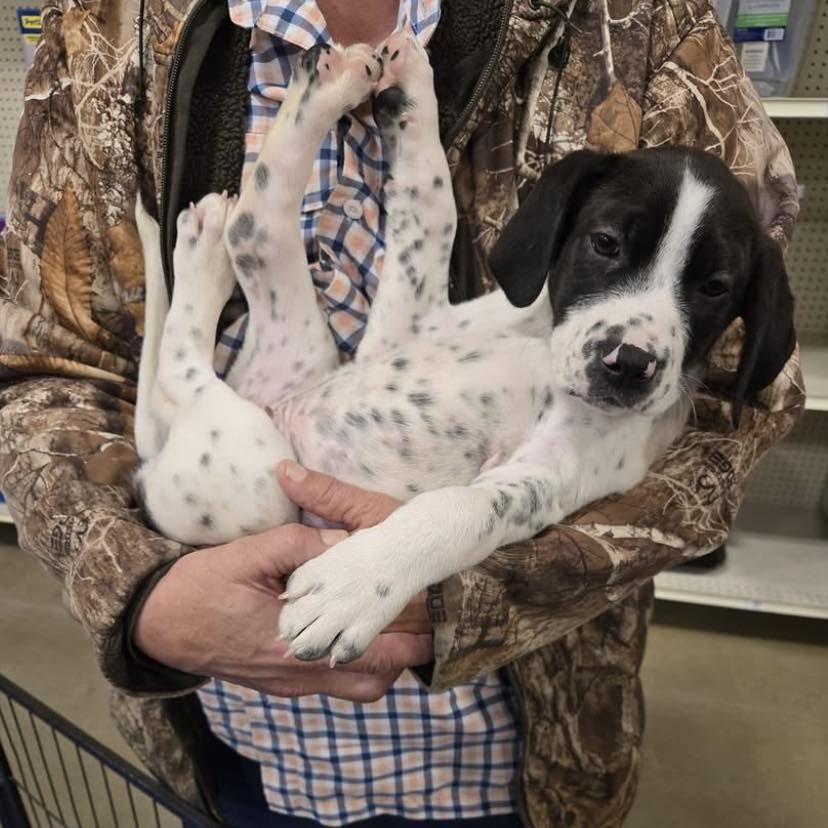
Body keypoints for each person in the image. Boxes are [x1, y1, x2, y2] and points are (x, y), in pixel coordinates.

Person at [0, 0, 804, 825]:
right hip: (227, 704)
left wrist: (443, 590)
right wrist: (144, 600)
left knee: (267, 374)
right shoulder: (102, 28)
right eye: (608, 247)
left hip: (503, 745)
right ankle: (193, 343)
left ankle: (198, 333)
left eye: (705, 289)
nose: (638, 339)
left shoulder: (649, 22)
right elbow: (38, 369)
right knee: (259, 389)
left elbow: (732, 424)